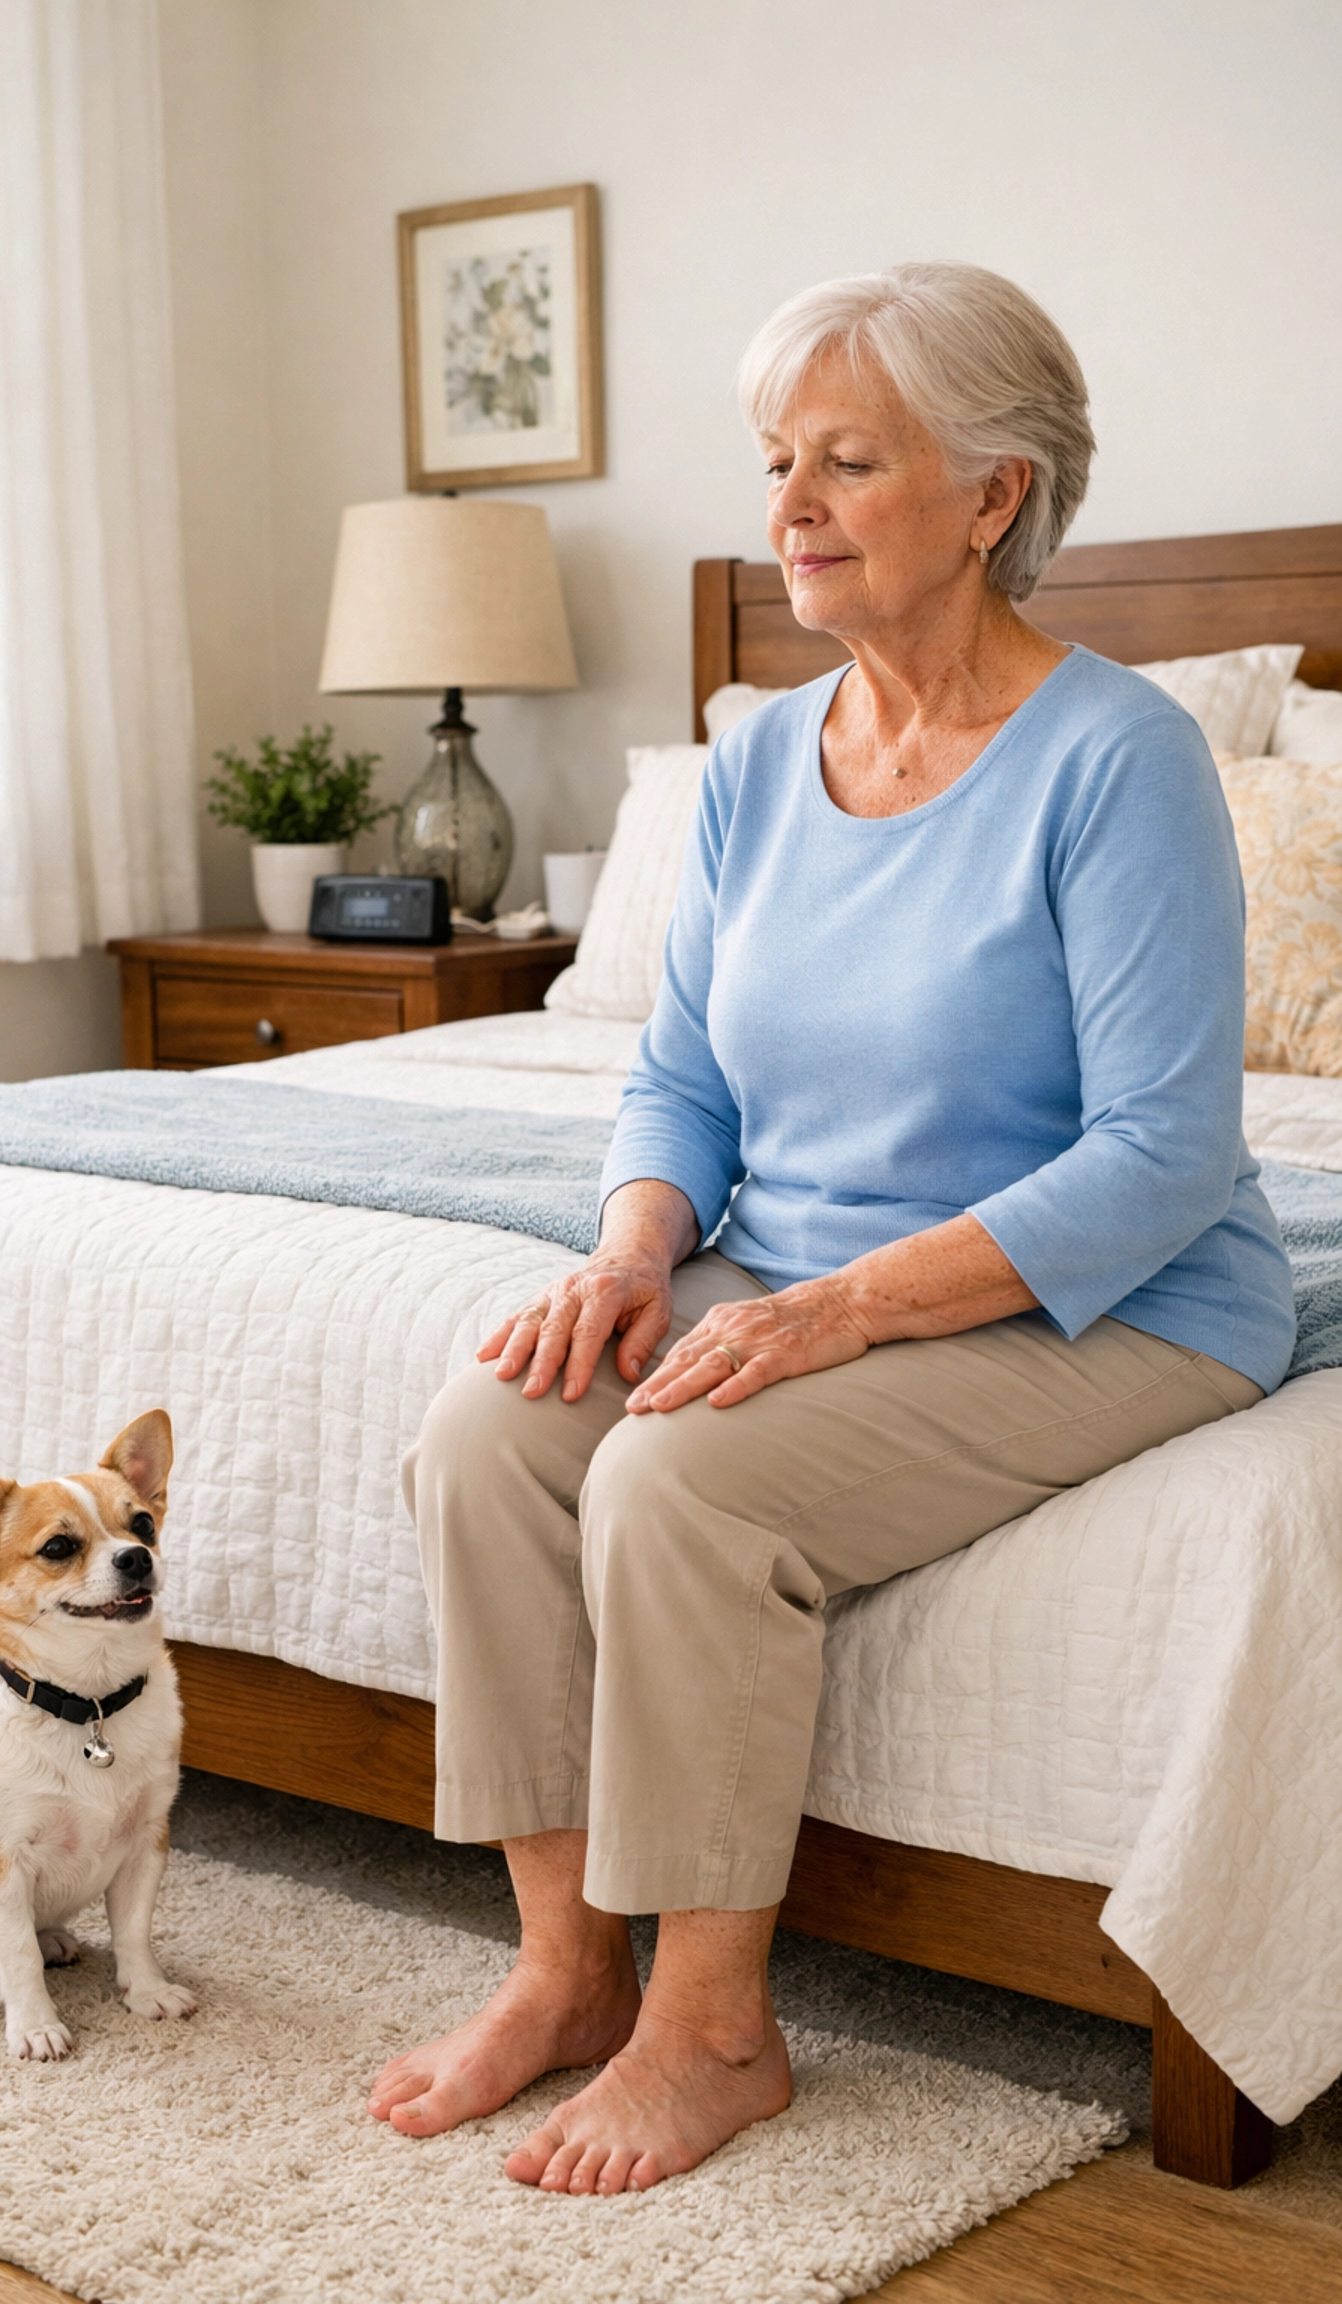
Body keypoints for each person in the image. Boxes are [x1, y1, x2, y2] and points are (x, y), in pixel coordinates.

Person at [367, 261, 1296, 2197]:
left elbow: (1164, 1150)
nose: (786, 501)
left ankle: (713, 2032)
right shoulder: (751, 767)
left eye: (846, 460)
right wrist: (635, 1252)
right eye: (777, 458)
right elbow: (684, 1088)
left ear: (992, 495)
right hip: (792, 1258)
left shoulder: (1120, 760)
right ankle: (562, 1972)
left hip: (1102, 1294)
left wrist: (845, 1312)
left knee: (677, 1483)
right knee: (487, 1435)